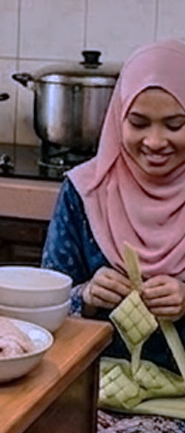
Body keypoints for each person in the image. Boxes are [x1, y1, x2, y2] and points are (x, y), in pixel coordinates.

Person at [41, 39, 185, 433]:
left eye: (175, 125)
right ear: (117, 116)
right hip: (88, 395)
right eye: (138, 123)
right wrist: (84, 295)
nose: (154, 142)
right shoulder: (84, 192)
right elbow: (42, 308)